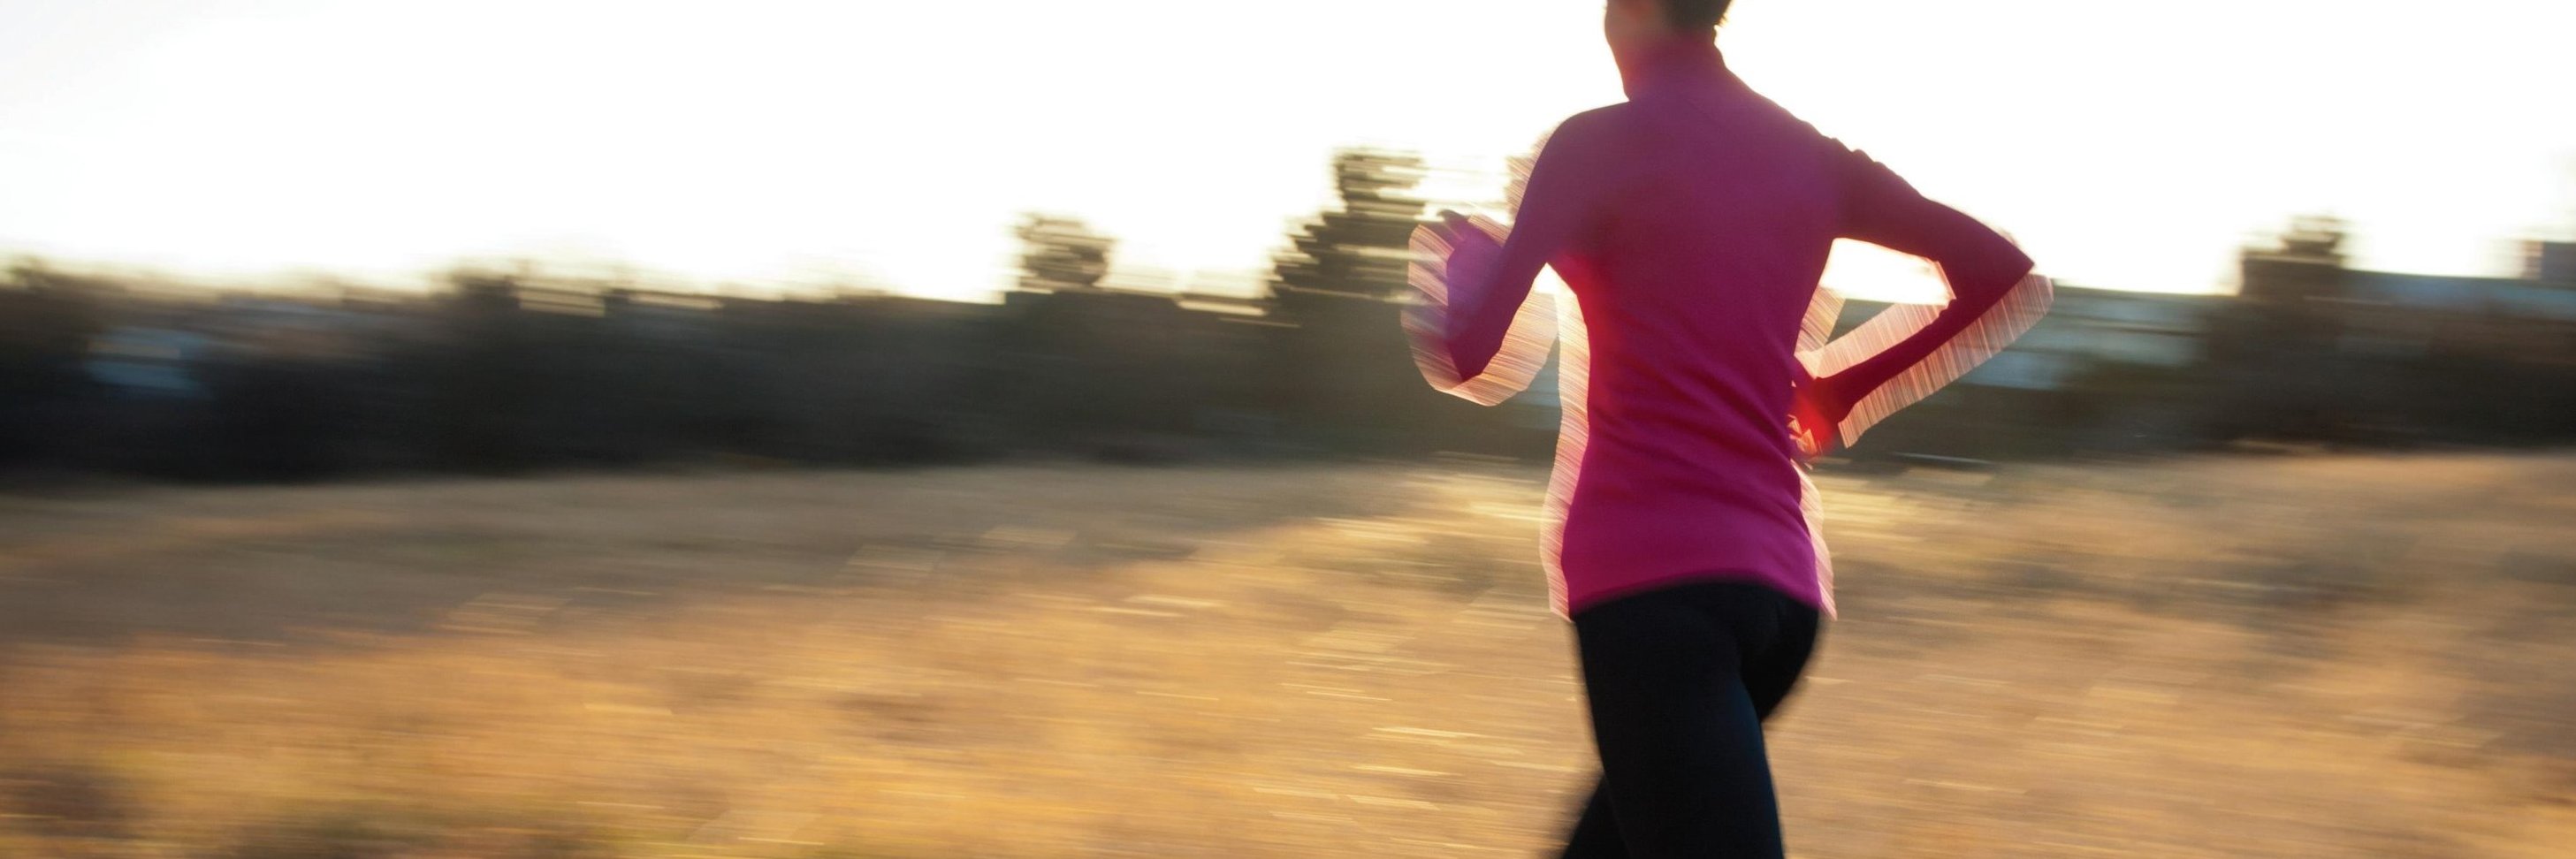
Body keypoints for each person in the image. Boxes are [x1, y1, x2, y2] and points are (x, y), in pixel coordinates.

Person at [1403, 1, 2053, 855]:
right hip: (1778, 599)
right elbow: (1999, 270)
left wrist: (1462, 266)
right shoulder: (1808, 154)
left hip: (1651, 593)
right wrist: (1842, 387)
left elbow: (1471, 357)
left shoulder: (1593, 144)